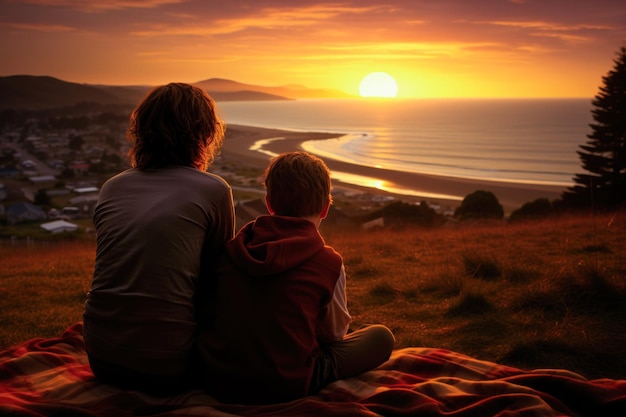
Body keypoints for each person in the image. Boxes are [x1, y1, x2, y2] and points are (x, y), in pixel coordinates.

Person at [196, 151, 395, 404]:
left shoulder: (232, 250)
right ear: (324, 208)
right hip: (286, 384)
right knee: (381, 337)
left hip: (219, 380)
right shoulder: (328, 262)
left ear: (269, 203)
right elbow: (333, 335)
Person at [83, 83, 235, 395]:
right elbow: (217, 281)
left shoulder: (112, 187)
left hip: (100, 355)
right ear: (203, 133)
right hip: (169, 366)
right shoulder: (214, 189)